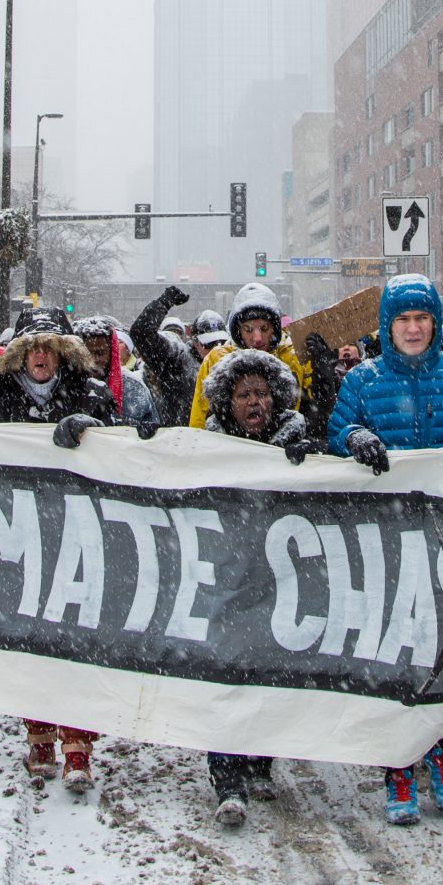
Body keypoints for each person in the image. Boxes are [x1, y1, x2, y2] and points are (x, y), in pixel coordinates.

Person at [325, 273, 443, 824]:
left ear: (434, 323)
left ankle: (440, 753)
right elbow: (336, 431)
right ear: (387, 324)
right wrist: (354, 439)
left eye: (421, 318)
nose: (412, 328)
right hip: (387, 536)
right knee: (396, 648)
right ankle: (397, 763)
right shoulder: (361, 379)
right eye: (402, 319)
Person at [0, 306, 117, 790]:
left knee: (77, 641)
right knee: (32, 641)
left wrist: (93, 431)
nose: (40, 355)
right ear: (19, 354)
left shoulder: (92, 394)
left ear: (63, 352)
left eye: (49, 346)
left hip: (78, 537)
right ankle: (39, 735)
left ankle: (79, 746)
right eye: (31, 347)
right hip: (21, 538)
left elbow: (124, 454)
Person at [193, 347, 314, 824]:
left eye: (262, 393)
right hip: (225, 582)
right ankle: (228, 778)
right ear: (227, 402)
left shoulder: (299, 446)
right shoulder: (206, 448)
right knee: (226, 676)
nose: (254, 402)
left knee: (270, 675)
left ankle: (261, 762)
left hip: (277, 586)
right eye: (244, 394)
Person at [186, 282, 321, 430]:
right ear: (238, 331)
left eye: (264, 328)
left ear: (274, 329)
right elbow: (199, 420)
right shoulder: (216, 359)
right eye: (248, 330)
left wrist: (323, 367)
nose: (257, 338)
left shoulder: (295, 356)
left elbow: (316, 409)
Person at [129, 284, 202, 421]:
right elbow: (141, 332)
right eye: (206, 342)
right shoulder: (177, 360)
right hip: (176, 436)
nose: (213, 348)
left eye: (218, 342)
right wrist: (163, 303)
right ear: (195, 341)